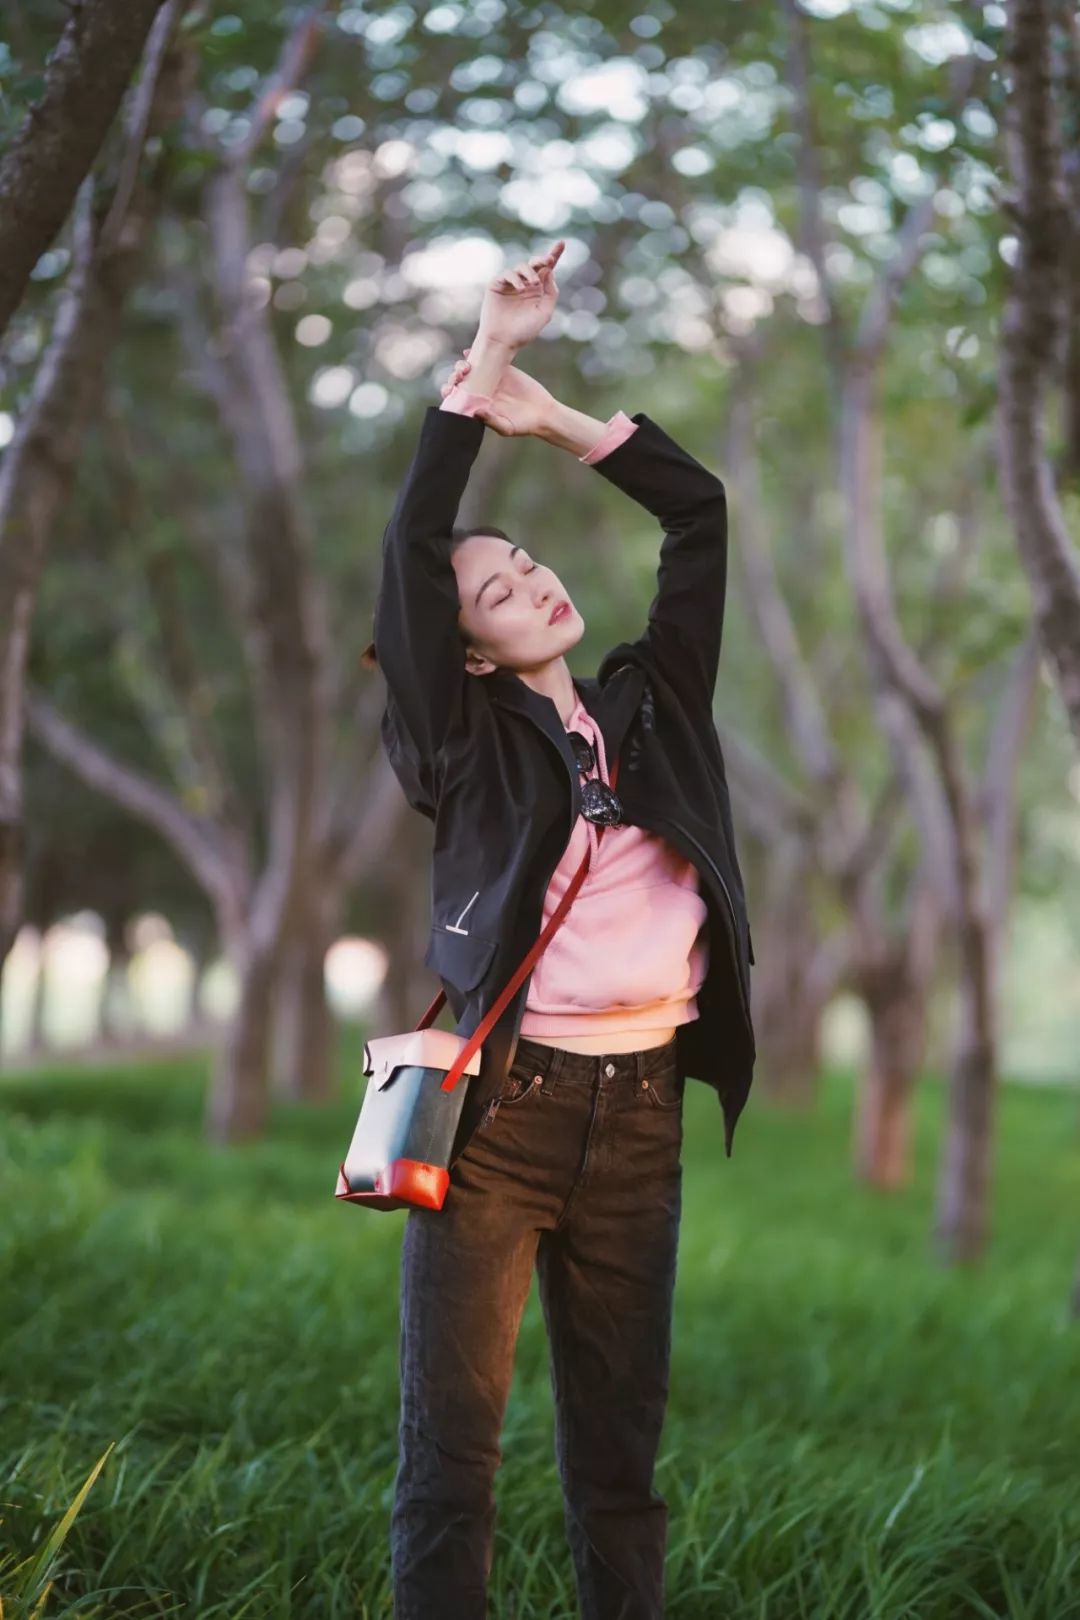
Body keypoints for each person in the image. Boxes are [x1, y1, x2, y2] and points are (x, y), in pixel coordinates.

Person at [376, 240, 755, 1619]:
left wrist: (558, 422)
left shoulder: (655, 704)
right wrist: (479, 376)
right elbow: (410, 556)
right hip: (502, 1124)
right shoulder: (464, 747)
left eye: (527, 559)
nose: (530, 580)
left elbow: (700, 516)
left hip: (642, 1123)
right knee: (451, 1466)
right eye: (495, 591)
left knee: (620, 1468)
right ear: (466, 647)